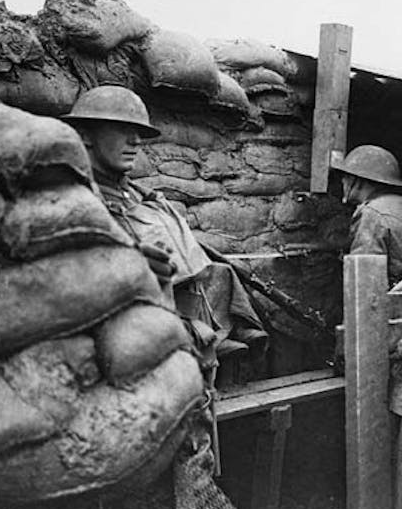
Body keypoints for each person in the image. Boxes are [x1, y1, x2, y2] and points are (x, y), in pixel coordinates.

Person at [62, 85, 267, 375]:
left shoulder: (136, 194)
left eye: (139, 133)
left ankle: (222, 334)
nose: (135, 141)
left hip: (185, 341)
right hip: (139, 351)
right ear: (85, 135)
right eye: (121, 129)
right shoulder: (77, 203)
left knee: (220, 273)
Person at [331, 144, 402, 286]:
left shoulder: (371, 215)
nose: (343, 181)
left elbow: (365, 279)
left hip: (401, 302)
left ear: (357, 180)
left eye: (346, 177)